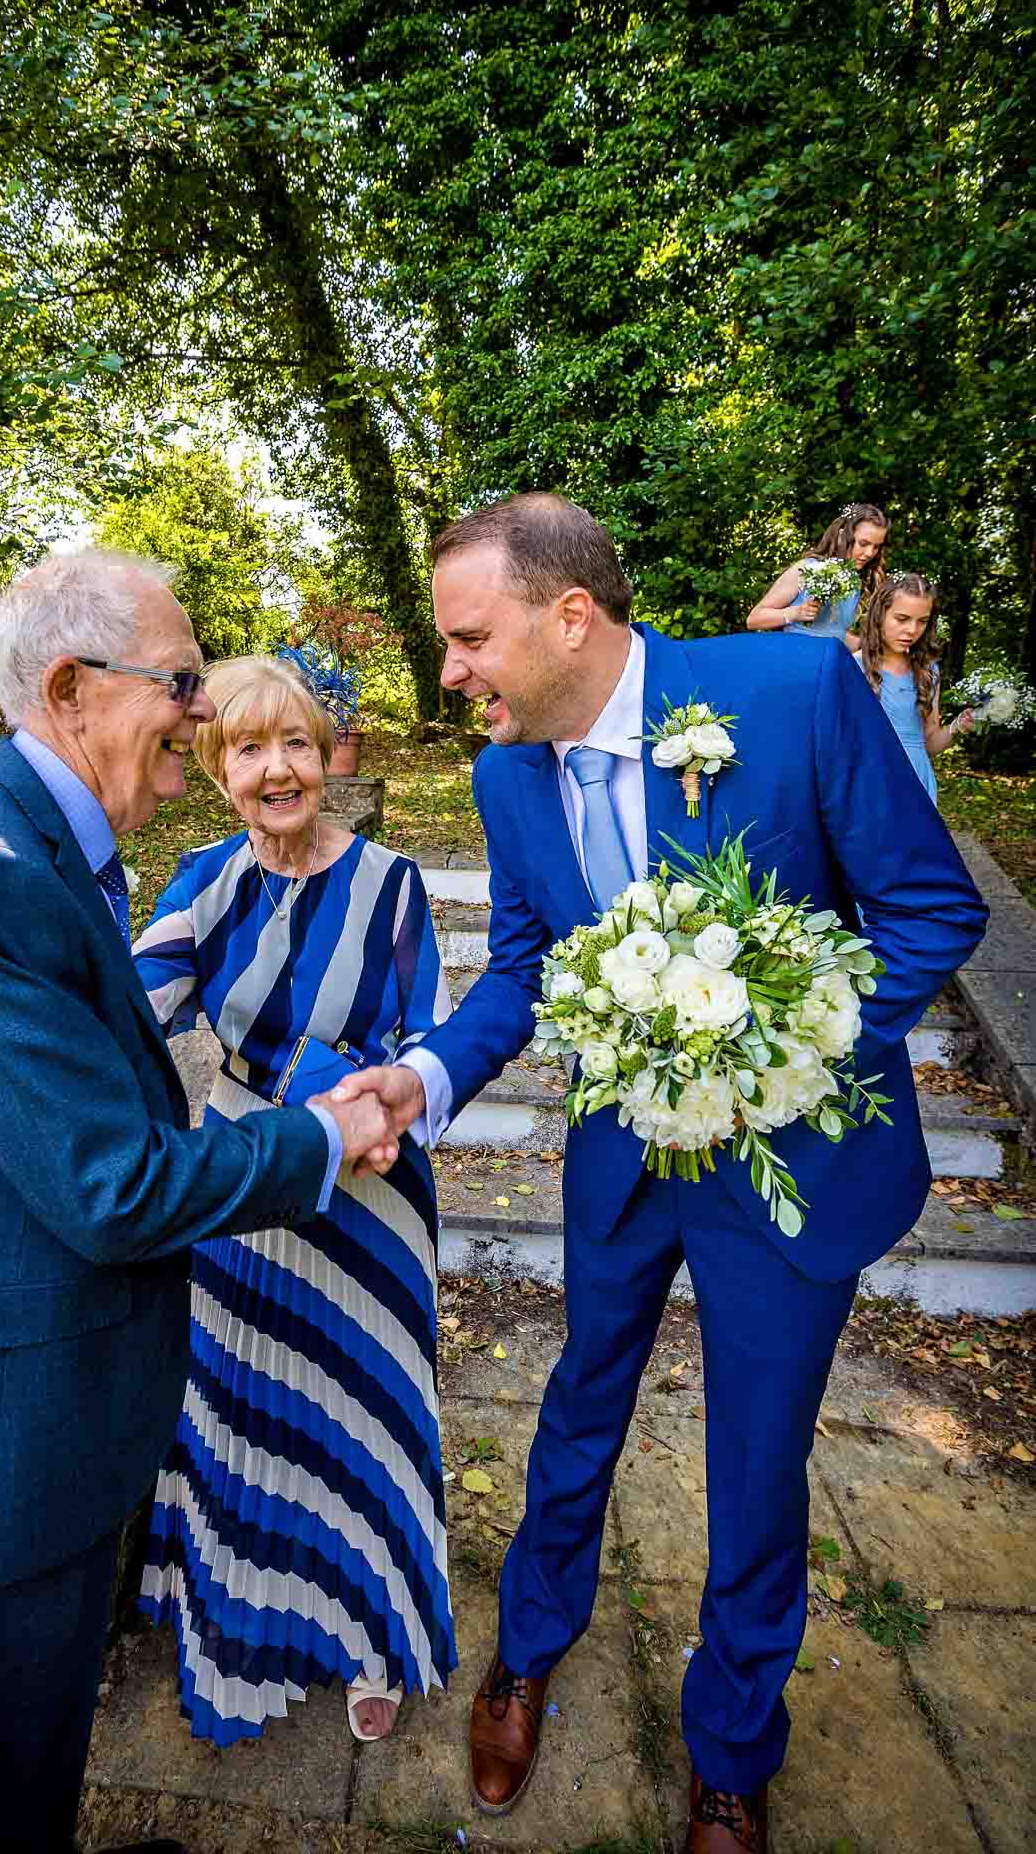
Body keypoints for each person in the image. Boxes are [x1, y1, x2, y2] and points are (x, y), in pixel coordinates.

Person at [334, 495, 986, 1853]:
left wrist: (786, 1042)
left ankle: (732, 1754)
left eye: (468, 639)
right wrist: (425, 1077)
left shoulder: (795, 689)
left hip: (790, 1160)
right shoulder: (506, 775)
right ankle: (526, 1651)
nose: (448, 671)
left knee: (756, 1462)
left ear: (568, 615)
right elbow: (521, 965)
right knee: (578, 1407)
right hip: (623, 1163)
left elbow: (930, 907)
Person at [0, 552, 396, 1854]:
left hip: (18, 1390)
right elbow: (111, 1183)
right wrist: (317, 1138)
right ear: (72, 689)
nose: (199, 710)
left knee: (31, 1751)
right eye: (179, 681)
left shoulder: (30, 841)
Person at [133, 655, 456, 1747]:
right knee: (245, 1409)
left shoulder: (394, 883)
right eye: (249, 749)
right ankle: (243, 1625)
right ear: (220, 766)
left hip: (369, 1195)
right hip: (241, 1190)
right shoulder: (201, 880)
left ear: (328, 758)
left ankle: (370, 1632)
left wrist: (388, 1106)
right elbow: (131, 1008)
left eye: (298, 747)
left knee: (364, 1417)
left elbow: (430, 1036)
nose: (278, 771)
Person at [854, 572, 974, 805]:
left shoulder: (929, 671)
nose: (912, 630)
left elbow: (928, 743)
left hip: (918, 784)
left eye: (922, 621)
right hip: (872, 784)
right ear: (880, 615)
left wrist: (957, 726)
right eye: (902, 618)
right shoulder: (853, 667)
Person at [746, 500, 888, 643]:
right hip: (796, 655)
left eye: (876, 547)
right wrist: (795, 613)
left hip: (829, 661)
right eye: (863, 543)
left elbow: (836, 634)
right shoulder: (806, 568)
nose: (870, 553)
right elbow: (754, 619)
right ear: (842, 535)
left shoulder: (855, 581)